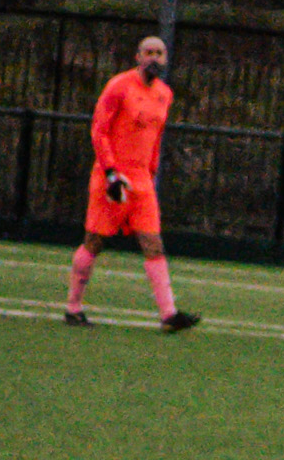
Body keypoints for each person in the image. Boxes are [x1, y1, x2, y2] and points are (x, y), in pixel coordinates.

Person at [65, 35, 200, 333]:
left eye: (160, 53)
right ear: (138, 57)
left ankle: (169, 314)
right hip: (111, 176)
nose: (154, 58)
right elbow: (99, 131)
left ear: (166, 59)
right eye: (148, 52)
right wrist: (111, 173)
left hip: (141, 181)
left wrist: (150, 174)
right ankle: (73, 308)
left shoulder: (164, 93)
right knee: (94, 242)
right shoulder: (119, 86)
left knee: (153, 243)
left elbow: (155, 139)